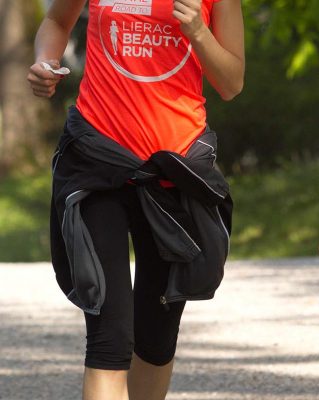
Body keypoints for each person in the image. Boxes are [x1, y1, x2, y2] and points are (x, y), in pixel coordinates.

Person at [27, 1, 244, 399]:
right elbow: (56, 20)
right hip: (98, 163)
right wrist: (46, 60)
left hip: (173, 171)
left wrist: (199, 31)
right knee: (109, 337)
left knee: (156, 339)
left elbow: (232, 83)